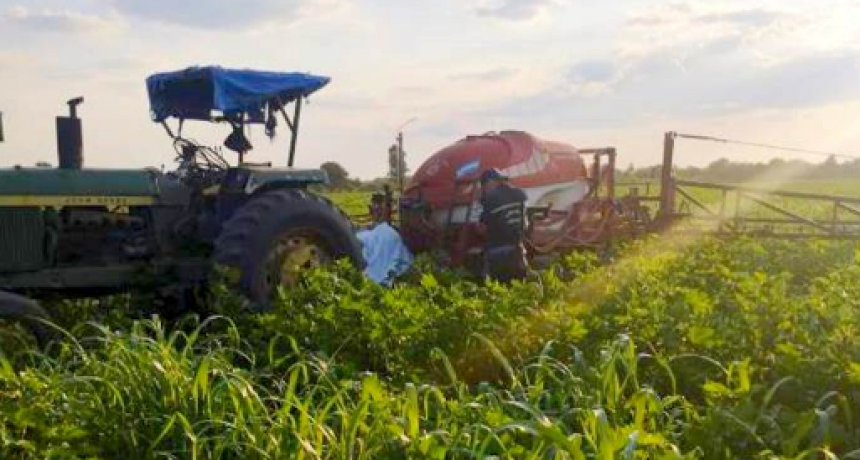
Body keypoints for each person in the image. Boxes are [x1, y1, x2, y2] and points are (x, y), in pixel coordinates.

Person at [479, 168, 529, 282]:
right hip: (519, 252)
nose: (484, 190)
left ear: (490, 182)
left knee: (497, 289)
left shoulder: (490, 199)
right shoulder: (520, 194)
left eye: (484, 186)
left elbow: (482, 228)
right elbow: (526, 222)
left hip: (498, 255)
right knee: (520, 289)